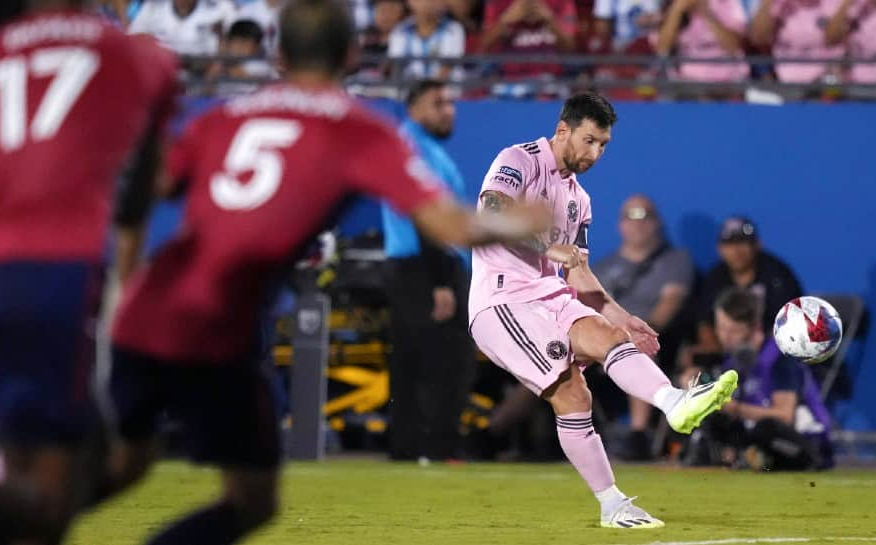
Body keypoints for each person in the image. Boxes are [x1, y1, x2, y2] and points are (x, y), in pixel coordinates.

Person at [104, 1, 551, 544]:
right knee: (251, 499)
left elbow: (140, 188)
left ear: (277, 53)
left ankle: (10, 513)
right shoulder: (358, 129)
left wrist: (123, 278)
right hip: (218, 329)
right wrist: (519, 220)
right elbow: (451, 227)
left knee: (121, 467)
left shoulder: (223, 116)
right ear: (353, 53)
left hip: (145, 312)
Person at [0, 1, 178, 543]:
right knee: (56, 488)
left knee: (75, 460)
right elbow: (140, 187)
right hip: (57, 273)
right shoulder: (139, 56)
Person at [469, 91, 738, 529]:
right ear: (563, 130)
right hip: (501, 300)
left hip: (548, 294)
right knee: (571, 392)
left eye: (604, 145)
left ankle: (672, 406)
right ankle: (613, 501)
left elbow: (578, 275)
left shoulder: (580, 199)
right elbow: (491, 215)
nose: (595, 153)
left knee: (607, 345)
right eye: (590, 141)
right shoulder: (518, 160)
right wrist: (550, 247)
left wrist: (621, 315)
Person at [382, 79, 474, 461]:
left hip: (418, 266)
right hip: (426, 268)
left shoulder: (422, 148)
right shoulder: (415, 148)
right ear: (413, 108)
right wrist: (440, 281)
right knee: (443, 363)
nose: (448, 110)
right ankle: (435, 449)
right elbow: (424, 215)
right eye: (438, 103)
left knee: (414, 361)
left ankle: (409, 450)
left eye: (451, 103)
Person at [594, 194, 695, 460]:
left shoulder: (675, 261)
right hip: (600, 341)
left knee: (640, 343)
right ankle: (498, 432)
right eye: (630, 216)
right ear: (620, 225)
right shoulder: (602, 267)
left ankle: (638, 436)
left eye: (644, 216)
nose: (637, 223)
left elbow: (669, 305)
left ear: (657, 223)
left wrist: (631, 333)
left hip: (649, 338)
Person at [697, 288, 834, 471]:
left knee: (766, 428)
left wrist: (733, 407)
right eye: (721, 327)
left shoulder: (780, 358)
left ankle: (749, 458)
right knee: (712, 420)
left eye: (734, 330)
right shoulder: (731, 362)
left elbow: (784, 416)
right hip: (762, 439)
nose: (725, 337)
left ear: (756, 328)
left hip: (806, 442)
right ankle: (735, 458)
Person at [690, 216, 803, 358]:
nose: (736, 251)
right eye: (729, 244)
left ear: (757, 245)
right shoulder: (715, 278)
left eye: (743, 242)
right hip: (727, 355)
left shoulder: (777, 275)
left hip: (774, 353)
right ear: (719, 249)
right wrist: (717, 354)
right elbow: (704, 322)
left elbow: (791, 322)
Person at [387, 0, 466, 79]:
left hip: (443, 88)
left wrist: (431, 88)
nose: (430, 3)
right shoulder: (399, 31)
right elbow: (396, 68)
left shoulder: (454, 29)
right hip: (408, 88)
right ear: (411, 2)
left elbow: (447, 67)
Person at [129, 0, 238, 56]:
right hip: (159, 72)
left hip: (204, 75)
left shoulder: (222, 8)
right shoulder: (152, 6)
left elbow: (239, 47)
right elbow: (132, 39)